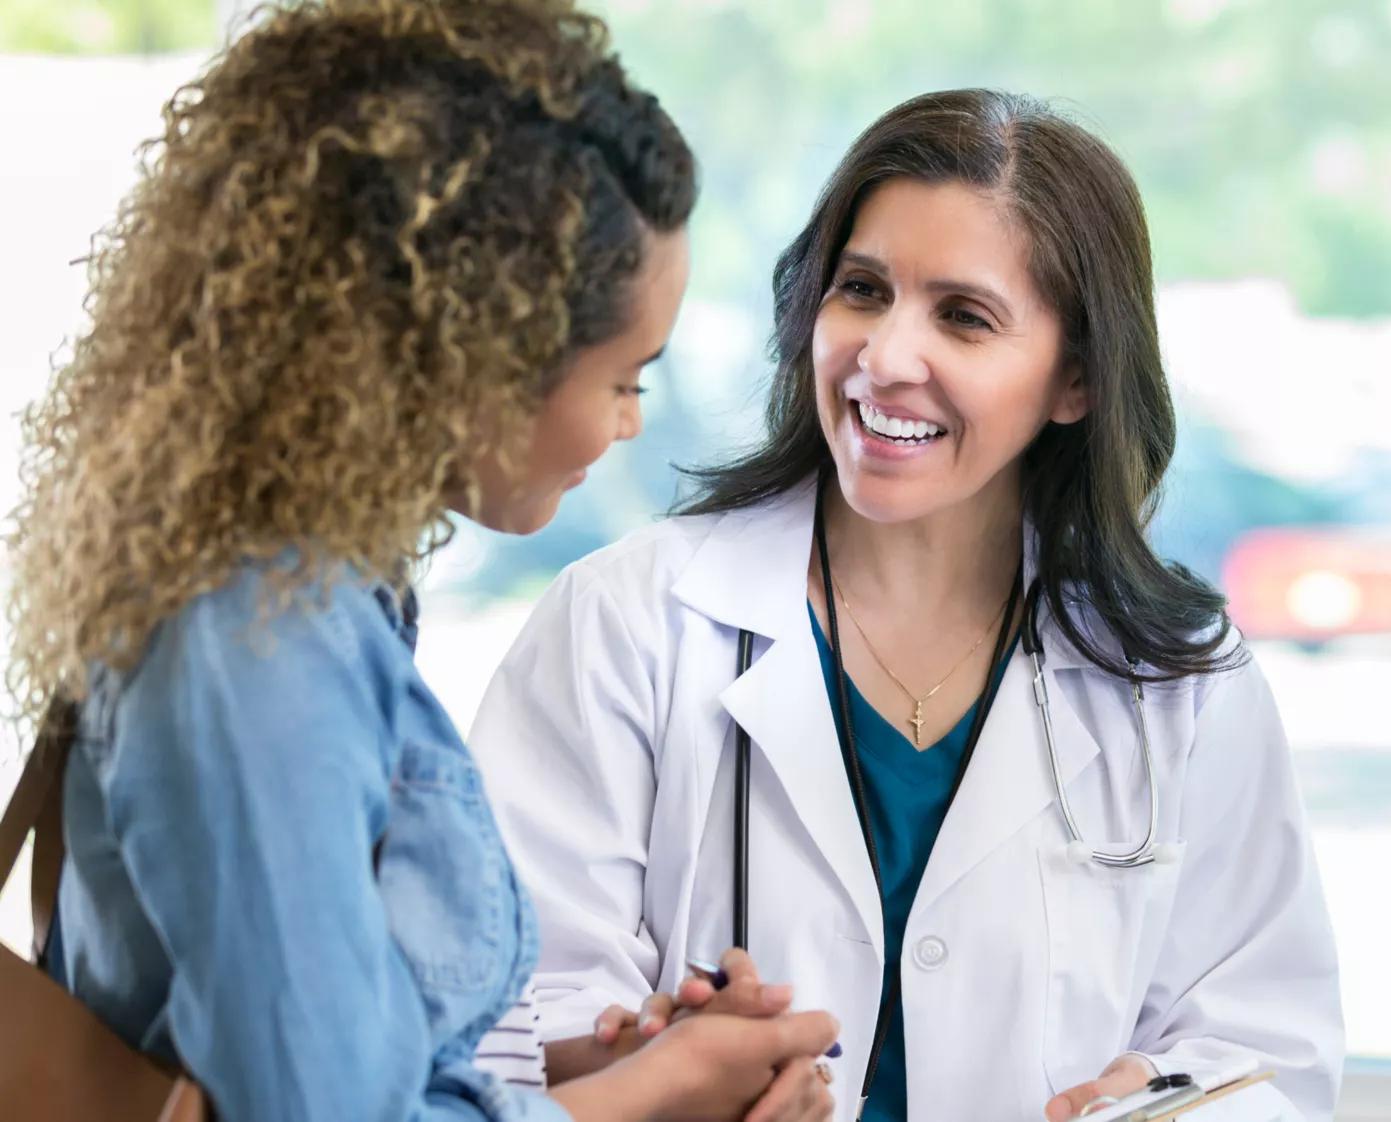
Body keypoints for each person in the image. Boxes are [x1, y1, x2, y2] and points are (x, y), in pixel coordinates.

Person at [2, 2, 838, 1119]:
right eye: (623, 379)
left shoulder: (318, 596)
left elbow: (339, 1057)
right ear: (473, 358)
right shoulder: (256, 649)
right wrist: (654, 1098)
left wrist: (584, 1078)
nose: (631, 423)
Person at [469, 88, 1344, 1122]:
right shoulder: (626, 624)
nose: (884, 358)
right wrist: (653, 1057)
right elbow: (503, 1011)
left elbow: (1265, 1052)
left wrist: (1157, 1102)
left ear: (1075, 380)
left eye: (963, 317)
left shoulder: (1179, 680)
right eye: (861, 290)